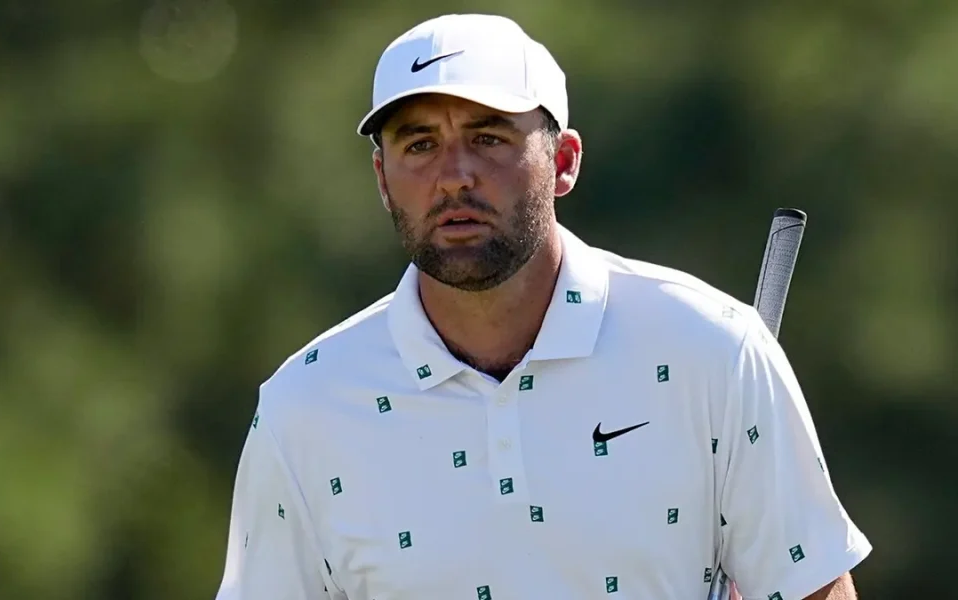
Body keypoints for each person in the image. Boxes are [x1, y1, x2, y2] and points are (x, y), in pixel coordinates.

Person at [212, 13, 872, 600]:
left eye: (489, 138)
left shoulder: (715, 352)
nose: (454, 176)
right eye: (419, 144)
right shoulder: (305, 407)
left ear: (563, 161)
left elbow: (813, 586)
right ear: (383, 179)